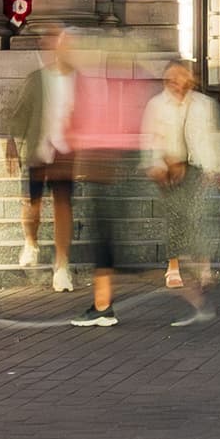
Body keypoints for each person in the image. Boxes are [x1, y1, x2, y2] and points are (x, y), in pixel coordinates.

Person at [66, 39, 150, 325]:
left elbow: (93, 128)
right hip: (112, 164)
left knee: (103, 237)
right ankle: (103, 302)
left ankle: (103, 306)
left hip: (105, 166)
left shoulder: (106, 92)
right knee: (105, 236)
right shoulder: (125, 89)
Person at [143, 56, 220, 319]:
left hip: (197, 165)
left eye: (182, 78)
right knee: (175, 215)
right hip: (170, 167)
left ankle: (204, 266)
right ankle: (173, 265)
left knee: (198, 215)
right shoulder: (156, 105)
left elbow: (212, 138)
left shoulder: (204, 104)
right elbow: (150, 138)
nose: (178, 83)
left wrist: (218, 167)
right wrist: (154, 163)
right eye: (173, 78)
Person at [8, 28, 77, 292]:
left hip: (65, 151)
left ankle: (61, 267)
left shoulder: (80, 81)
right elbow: (20, 112)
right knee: (32, 206)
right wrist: (12, 142)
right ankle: (31, 242)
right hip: (39, 149)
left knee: (62, 205)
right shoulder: (37, 79)